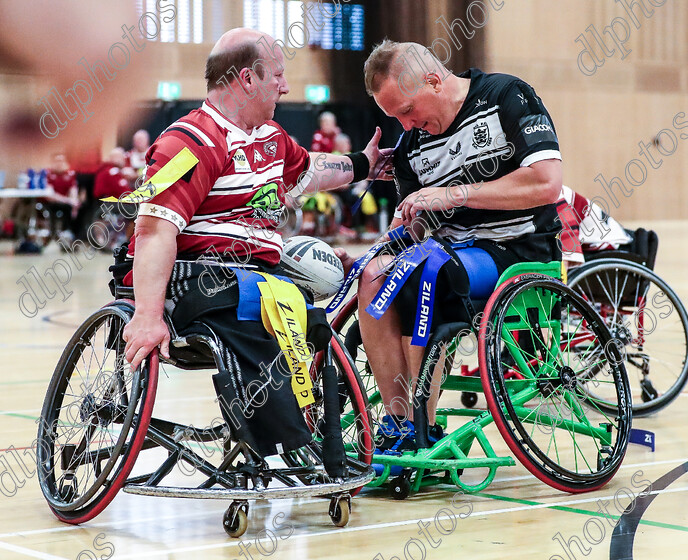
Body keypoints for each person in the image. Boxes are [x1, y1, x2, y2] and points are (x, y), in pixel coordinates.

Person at [120, 28, 392, 458]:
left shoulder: (270, 137)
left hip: (257, 276)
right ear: (247, 79)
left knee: (321, 317)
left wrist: (364, 164)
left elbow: (311, 171)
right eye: (278, 75)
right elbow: (154, 229)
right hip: (199, 283)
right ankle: (287, 444)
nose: (285, 86)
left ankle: (320, 440)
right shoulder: (188, 143)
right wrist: (148, 315)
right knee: (254, 309)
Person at [358, 40, 564, 459]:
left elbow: (546, 182)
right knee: (374, 274)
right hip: (448, 255)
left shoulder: (507, 96)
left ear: (433, 80)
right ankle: (399, 423)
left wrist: (454, 194)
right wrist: (384, 241)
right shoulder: (412, 146)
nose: (406, 124)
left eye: (406, 110)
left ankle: (425, 426)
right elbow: (413, 225)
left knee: (426, 271)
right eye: (394, 117)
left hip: (518, 251)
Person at [43, 153, 81, 239]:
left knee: (79, 208)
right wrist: (68, 200)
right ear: (52, 162)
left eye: (61, 161)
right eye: (57, 161)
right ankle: (58, 233)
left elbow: (73, 191)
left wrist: (74, 202)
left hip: (64, 203)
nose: (59, 163)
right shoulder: (47, 174)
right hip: (50, 203)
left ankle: (73, 235)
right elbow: (50, 195)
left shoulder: (70, 175)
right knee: (66, 206)